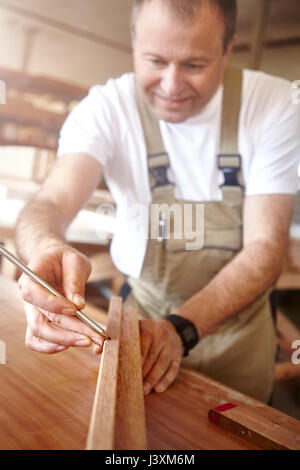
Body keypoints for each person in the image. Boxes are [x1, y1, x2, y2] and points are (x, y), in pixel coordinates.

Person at [16, 0, 299, 404]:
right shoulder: (106, 110)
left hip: (239, 338)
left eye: (194, 65)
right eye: (155, 61)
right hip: (141, 325)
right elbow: (50, 203)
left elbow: (267, 248)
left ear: (228, 48)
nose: (171, 85)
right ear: (134, 43)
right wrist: (46, 249)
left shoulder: (272, 106)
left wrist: (181, 329)